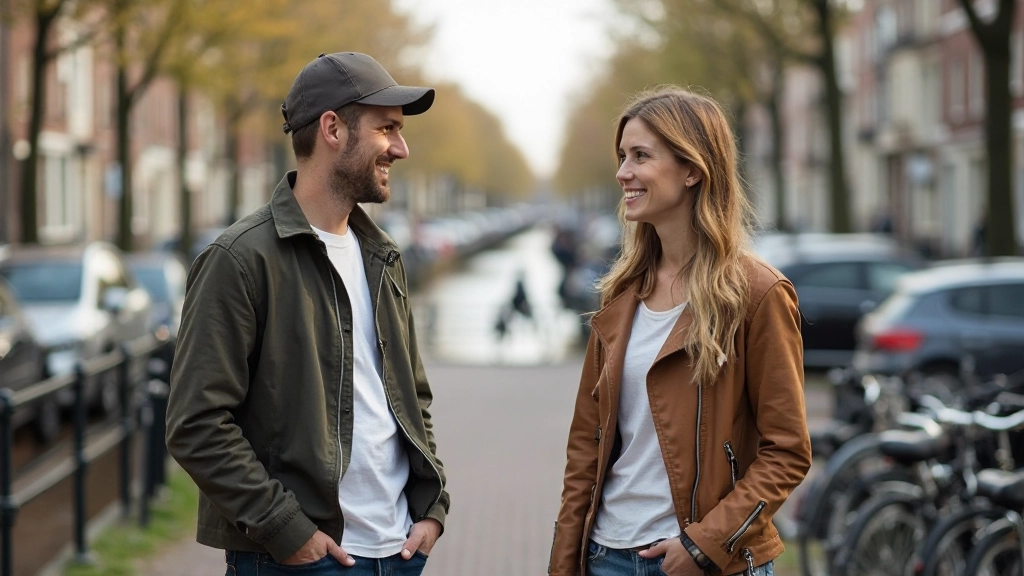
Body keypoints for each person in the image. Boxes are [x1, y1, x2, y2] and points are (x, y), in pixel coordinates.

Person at [166, 52, 449, 576]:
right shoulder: (239, 260)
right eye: (387, 129)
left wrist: (430, 508)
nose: (402, 149)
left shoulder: (382, 255)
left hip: (400, 552)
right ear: (333, 129)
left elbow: (412, 395)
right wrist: (285, 530)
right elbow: (196, 423)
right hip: (301, 561)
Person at [548, 87, 811, 576]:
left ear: (692, 170)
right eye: (623, 156)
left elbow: (787, 452)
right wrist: (565, 564)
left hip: (707, 562)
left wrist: (704, 544)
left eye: (641, 156)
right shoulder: (620, 295)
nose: (623, 172)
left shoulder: (757, 294)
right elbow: (586, 445)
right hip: (608, 555)